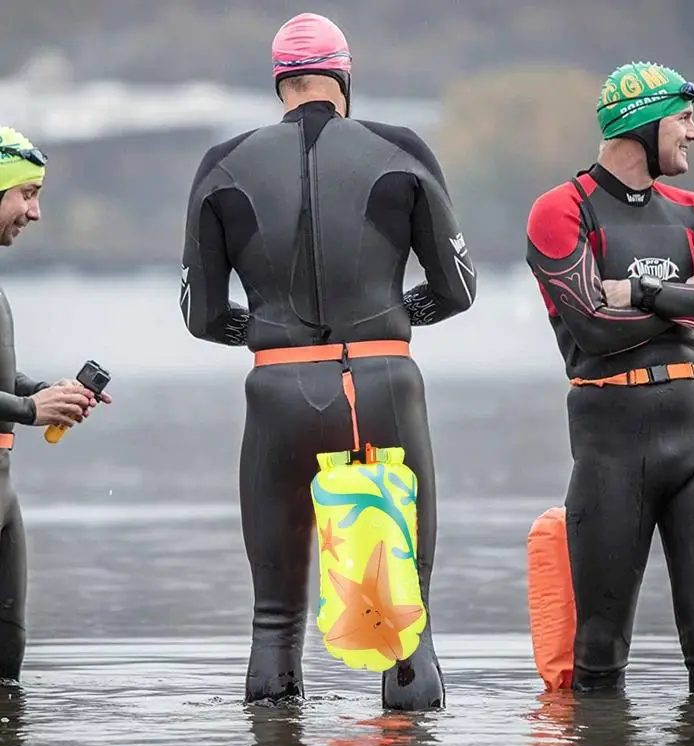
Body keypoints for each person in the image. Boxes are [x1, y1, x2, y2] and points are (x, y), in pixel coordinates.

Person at [179, 12, 475, 709]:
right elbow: (457, 289)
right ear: (344, 78)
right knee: (406, 626)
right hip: (381, 388)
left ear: (281, 82)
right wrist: (397, 318)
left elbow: (201, 316)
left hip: (276, 393)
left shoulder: (222, 162)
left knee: (273, 624)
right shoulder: (400, 148)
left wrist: (268, 334)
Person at [524, 62, 694, 695]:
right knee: (599, 651)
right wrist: (688, 296)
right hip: (610, 442)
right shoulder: (560, 209)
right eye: (684, 120)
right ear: (644, 123)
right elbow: (594, 330)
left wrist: (643, 290)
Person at [0, 125, 111, 680]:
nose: (35, 213)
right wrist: (30, 412)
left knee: (7, 664)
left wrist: (46, 393)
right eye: (27, 194)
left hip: (3, 488)